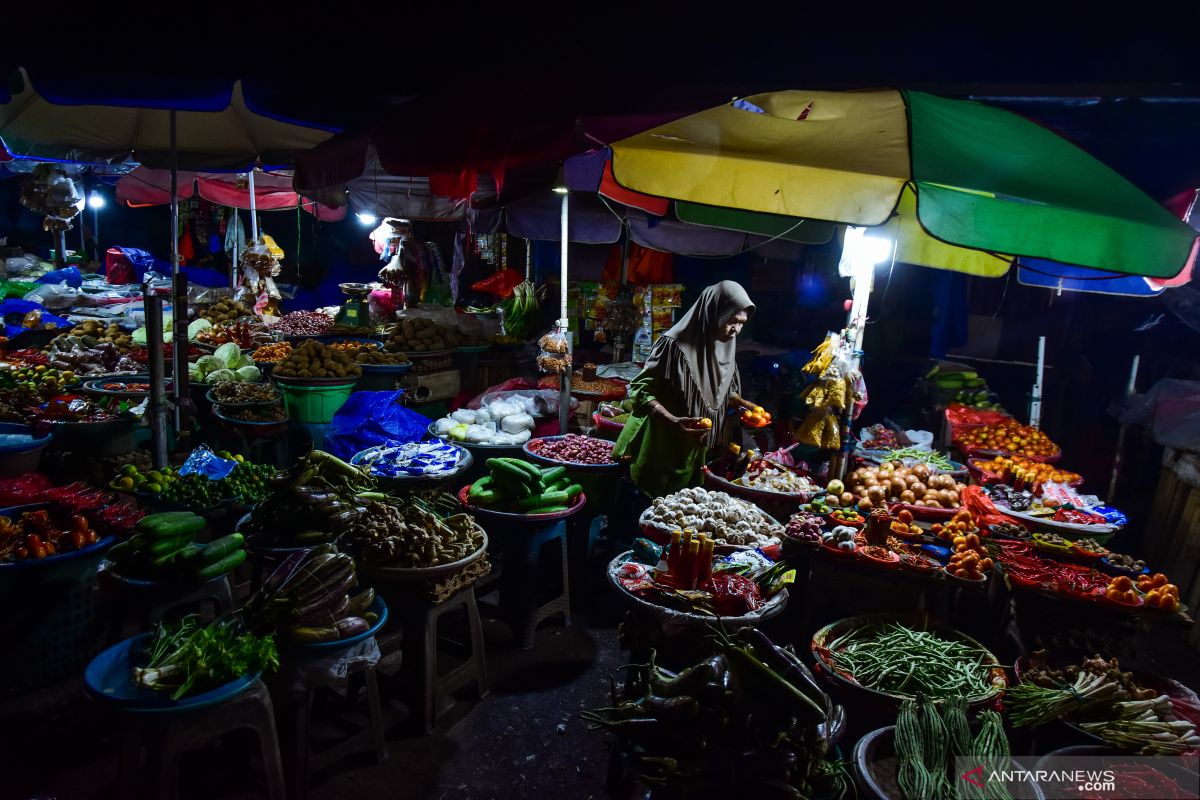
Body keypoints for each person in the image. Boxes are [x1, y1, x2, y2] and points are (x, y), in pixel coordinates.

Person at [614, 280, 758, 498]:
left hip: (696, 455)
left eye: (742, 324)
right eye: (731, 321)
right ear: (713, 313)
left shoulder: (725, 346)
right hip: (662, 448)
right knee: (649, 511)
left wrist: (743, 404)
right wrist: (673, 420)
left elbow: (723, 391)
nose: (736, 330)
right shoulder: (673, 345)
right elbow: (641, 390)